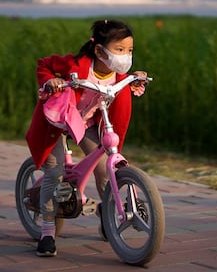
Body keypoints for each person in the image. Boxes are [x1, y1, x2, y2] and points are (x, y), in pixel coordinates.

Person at [25, 19, 147, 257]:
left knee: (104, 167)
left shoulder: (117, 75)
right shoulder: (76, 64)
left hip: (85, 123)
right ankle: (48, 232)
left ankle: (107, 212)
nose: (125, 55)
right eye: (119, 50)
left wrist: (135, 78)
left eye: (129, 50)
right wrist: (51, 80)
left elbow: (121, 86)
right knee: (54, 173)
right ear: (100, 50)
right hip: (58, 122)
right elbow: (45, 64)